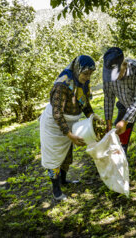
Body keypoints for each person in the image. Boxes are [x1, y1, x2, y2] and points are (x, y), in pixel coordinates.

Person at [40, 55, 96, 201]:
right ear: (77, 70)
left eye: (90, 74)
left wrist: (93, 117)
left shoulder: (82, 82)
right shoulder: (62, 85)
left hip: (70, 122)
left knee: (66, 155)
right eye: (85, 73)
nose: (87, 77)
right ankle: (56, 190)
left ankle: (63, 181)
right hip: (54, 124)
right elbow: (57, 113)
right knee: (54, 156)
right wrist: (69, 134)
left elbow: (84, 103)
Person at [102, 47, 136, 185]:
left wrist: (125, 120)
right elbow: (108, 97)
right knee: (121, 135)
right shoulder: (107, 71)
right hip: (124, 102)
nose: (115, 78)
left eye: (118, 73)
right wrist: (108, 121)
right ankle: (120, 167)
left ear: (124, 64)